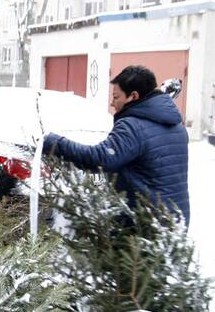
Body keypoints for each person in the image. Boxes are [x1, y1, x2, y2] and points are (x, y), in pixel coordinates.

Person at [42, 64, 190, 224]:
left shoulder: (133, 125)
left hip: (144, 225)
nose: (112, 103)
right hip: (174, 221)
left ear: (133, 96)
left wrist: (53, 142)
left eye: (116, 97)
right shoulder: (177, 126)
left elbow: (101, 158)